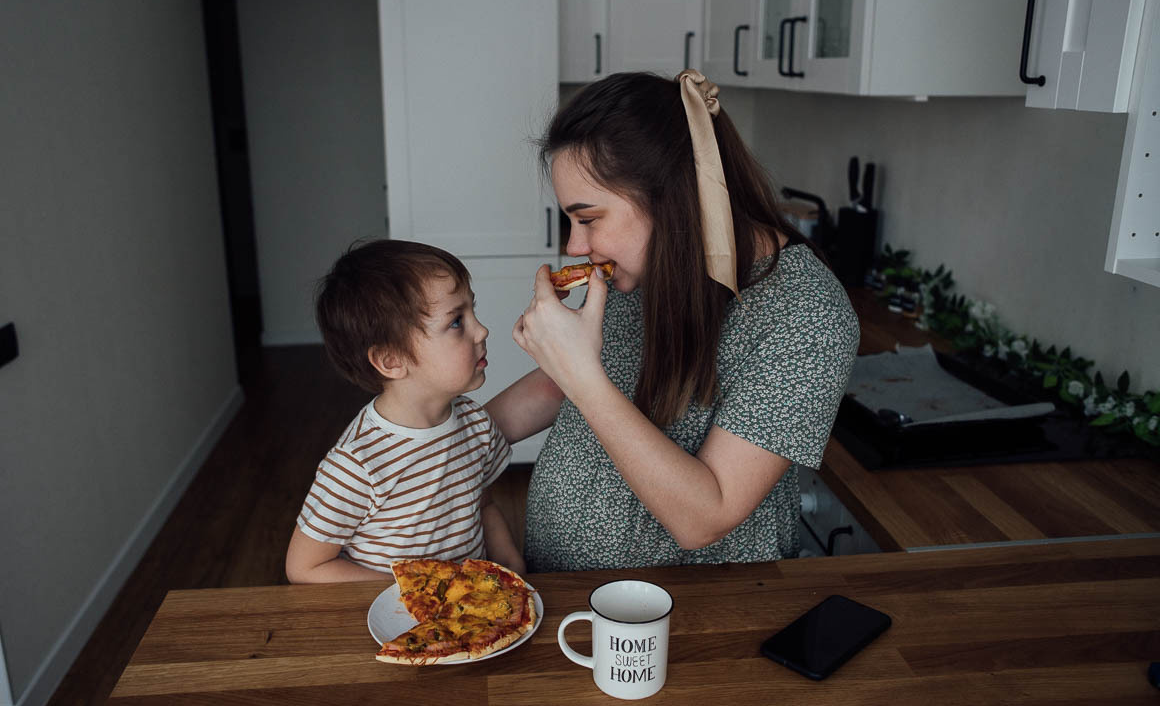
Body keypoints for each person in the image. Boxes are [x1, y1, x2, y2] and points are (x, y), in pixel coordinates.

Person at [485, 70, 859, 572]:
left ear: (673, 198)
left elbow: (708, 515)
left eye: (589, 219)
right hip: (560, 586)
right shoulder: (649, 266)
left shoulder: (806, 313)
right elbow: (565, 383)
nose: (574, 247)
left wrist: (580, 376)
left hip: (686, 616)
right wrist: (443, 443)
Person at [285, 239, 524, 583]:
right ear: (391, 361)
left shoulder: (475, 424)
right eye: (457, 321)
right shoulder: (357, 464)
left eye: (473, 311)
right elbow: (304, 566)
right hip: (397, 622)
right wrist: (412, 592)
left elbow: (483, 504)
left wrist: (510, 561)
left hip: (470, 612)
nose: (482, 330)